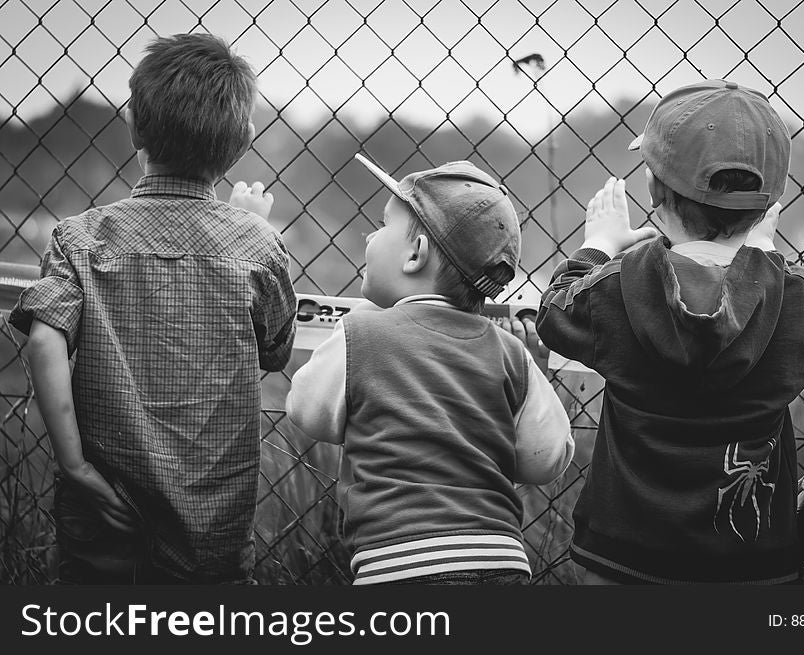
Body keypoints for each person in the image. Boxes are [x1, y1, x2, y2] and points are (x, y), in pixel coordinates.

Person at [10, 33, 297, 584]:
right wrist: (248, 226)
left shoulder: (82, 237)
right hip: (210, 517)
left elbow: (44, 337)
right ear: (241, 144)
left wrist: (74, 466)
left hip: (104, 500)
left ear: (136, 127)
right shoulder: (256, 246)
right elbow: (275, 351)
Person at [536, 79, 804, 584]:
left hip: (620, 558)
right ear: (770, 204)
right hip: (751, 567)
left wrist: (599, 245)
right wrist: (763, 258)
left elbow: (555, 313)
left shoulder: (619, 287)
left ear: (656, 190)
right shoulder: (794, 303)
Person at [285, 155, 574, 585]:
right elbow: (546, 459)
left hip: (398, 563)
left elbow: (304, 410)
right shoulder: (510, 352)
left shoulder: (361, 332)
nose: (371, 235)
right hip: (500, 557)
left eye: (383, 224)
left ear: (415, 254)